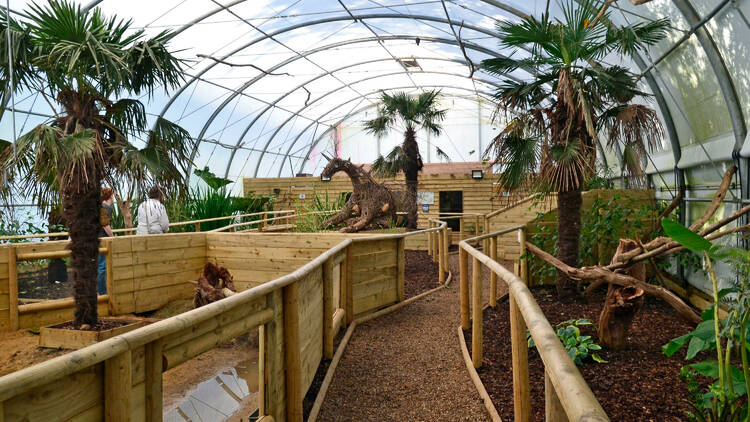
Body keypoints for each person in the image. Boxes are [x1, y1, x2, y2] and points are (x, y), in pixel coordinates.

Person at [97, 188, 115, 295]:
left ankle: (101, 290)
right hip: (103, 239)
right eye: (112, 195)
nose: (113, 197)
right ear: (109, 196)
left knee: (100, 266)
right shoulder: (106, 208)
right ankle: (102, 292)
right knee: (102, 267)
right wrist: (113, 237)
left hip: (98, 238)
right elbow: (106, 225)